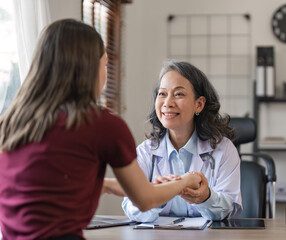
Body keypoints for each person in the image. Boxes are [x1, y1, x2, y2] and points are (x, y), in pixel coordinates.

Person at [0, 19, 201, 240]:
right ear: (87, 69)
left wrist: (105, 185)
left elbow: (43, 185)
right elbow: (145, 200)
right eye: (105, 64)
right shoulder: (101, 125)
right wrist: (185, 181)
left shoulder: (11, 122)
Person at [122, 60, 242, 222]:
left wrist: (205, 197)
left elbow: (229, 209)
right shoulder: (146, 152)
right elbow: (130, 208)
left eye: (179, 94)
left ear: (199, 104)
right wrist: (155, 198)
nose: (168, 103)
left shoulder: (223, 150)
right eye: (162, 94)